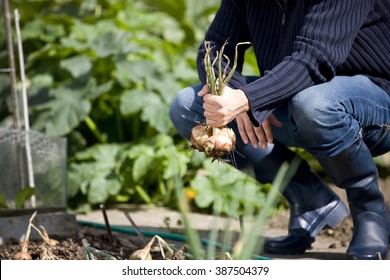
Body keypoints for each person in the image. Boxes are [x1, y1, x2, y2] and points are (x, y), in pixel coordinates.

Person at [169, 0, 390, 260]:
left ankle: (369, 213)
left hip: (374, 99)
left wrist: (250, 99)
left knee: (314, 104)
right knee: (188, 107)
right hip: (297, 97)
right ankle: (309, 199)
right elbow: (215, 46)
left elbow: (314, 58)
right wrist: (234, 93)